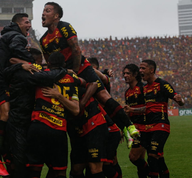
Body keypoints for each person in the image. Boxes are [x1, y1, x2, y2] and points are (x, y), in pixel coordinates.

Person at [39, 2, 139, 138]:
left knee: (103, 97)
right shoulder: (43, 40)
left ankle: (129, 126)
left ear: (56, 16)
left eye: (48, 10)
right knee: (80, 106)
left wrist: (74, 70)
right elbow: (51, 63)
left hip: (81, 68)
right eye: (43, 10)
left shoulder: (64, 27)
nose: (43, 13)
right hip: (66, 75)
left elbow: (76, 49)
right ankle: (116, 130)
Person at [0, 13, 38, 167]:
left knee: (4, 114)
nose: (29, 25)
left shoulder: (8, 36)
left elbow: (11, 59)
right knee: (5, 114)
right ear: (18, 23)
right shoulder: (17, 37)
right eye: (27, 22)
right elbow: (16, 50)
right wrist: (31, 61)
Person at [3, 55, 68, 178]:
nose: (39, 66)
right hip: (27, 122)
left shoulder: (19, 72)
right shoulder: (32, 74)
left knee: (32, 166)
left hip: (30, 123)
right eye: (38, 63)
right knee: (23, 164)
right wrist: (64, 70)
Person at [124, 60, 185, 178]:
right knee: (157, 157)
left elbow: (179, 100)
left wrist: (180, 100)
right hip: (148, 128)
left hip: (161, 125)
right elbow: (147, 108)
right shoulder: (145, 88)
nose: (140, 70)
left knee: (152, 155)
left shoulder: (162, 84)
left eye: (143, 68)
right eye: (140, 68)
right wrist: (132, 110)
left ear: (151, 70)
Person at [26, 52, 82, 178]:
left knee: (34, 168)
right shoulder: (71, 79)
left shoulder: (41, 74)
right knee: (59, 171)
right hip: (58, 131)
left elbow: (76, 110)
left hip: (39, 127)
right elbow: (75, 109)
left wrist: (58, 95)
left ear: (49, 63)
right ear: (64, 64)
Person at [123, 64, 149, 178]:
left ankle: (151, 171)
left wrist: (132, 109)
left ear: (135, 74)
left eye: (128, 73)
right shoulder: (127, 92)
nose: (125, 76)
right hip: (135, 128)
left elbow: (149, 108)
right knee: (140, 159)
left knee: (133, 157)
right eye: (124, 73)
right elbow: (129, 113)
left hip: (145, 126)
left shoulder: (143, 88)